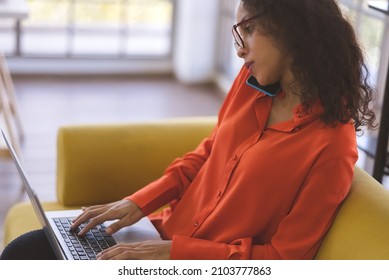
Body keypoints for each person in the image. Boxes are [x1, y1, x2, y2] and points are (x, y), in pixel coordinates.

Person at [1, 0, 376, 260]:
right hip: (160, 236)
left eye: (248, 30)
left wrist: (176, 255)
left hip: (199, 265)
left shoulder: (332, 148)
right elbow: (209, 153)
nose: (240, 50)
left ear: (291, 32)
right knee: (24, 253)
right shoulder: (251, 84)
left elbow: (284, 259)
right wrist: (139, 202)